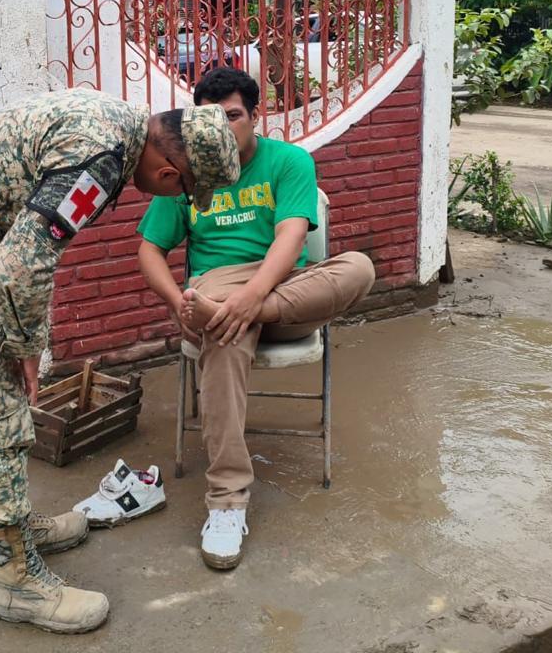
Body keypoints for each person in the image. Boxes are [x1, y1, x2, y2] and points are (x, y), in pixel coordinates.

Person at [0, 89, 240, 633]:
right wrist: (28, 348)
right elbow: (24, 265)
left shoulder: (118, 117)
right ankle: (15, 582)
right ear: (169, 175)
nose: (180, 197)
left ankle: (14, 532)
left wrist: (22, 341)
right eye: (189, 190)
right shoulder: (101, 161)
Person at [136, 67, 376, 571]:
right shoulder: (186, 170)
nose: (224, 130)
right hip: (215, 282)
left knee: (358, 267)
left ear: (255, 114)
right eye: (211, 120)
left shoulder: (288, 161)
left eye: (233, 117)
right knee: (225, 331)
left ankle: (227, 315)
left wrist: (253, 299)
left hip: (283, 287)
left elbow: (291, 236)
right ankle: (226, 500)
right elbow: (150, 249)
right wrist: (177, 298)